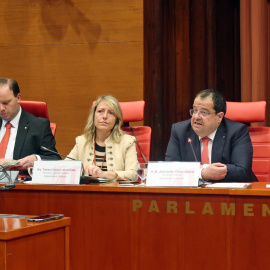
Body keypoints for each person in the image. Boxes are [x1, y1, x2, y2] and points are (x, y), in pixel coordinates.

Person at [165, 89, 258, 182]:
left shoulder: (237, 131)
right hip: (193, 194)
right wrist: (202, 173)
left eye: (204, 112)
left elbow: (242, 171)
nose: (196, 116)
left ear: (219, 117)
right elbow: (170, 169)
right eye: (195, 110)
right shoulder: (180, 130)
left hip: (230, 193)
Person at [67, 95, 139, 181]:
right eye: (100, 111)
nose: (104, 116)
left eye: (111, 113)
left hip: (115, 192)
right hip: (87, 192)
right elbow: (64, 169)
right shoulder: (82, 141)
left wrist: (104, 174)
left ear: (116, 120)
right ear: (93, 116)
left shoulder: (127, 142)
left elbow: (134, 174)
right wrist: (83, 171)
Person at [0, 78, 61, 169]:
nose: (1, 108)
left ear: (18, 98)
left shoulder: (39, 126)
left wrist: (36, 159)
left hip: (19, 181)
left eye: (6, 103)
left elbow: (55, 159)